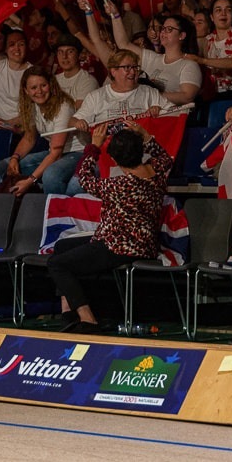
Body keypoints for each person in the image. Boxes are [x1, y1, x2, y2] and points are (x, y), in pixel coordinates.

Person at [48, 120, 172, 334]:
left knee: (57, 264)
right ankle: (69, 314)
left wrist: (94, 146)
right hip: (142, 243)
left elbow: (84, 178)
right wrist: (145, 134)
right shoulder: (157, 173)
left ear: (113, 159)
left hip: (118, 246)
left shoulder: (119, 185)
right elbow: (163, 157)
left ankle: (88, 319)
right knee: (62, 247)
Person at [0, 67, 87, 196]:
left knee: (51, 175)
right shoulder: (33, 106)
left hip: (76, 152)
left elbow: (56, 153)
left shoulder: (63, 107)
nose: (39, 91)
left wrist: (30, 180)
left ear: (51, 85)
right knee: (3, 167)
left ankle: (53, 212)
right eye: (34, 88)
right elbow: (29, 138)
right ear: (26, 91)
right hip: (54, 152)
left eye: (43, 85)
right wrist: (15, 157)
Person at [110, 7, 201, 105]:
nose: (163, 32)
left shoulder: (189, 64)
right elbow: (123, 43)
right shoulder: (152, 58)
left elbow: (187, 97)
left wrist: (150, 96)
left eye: (169, 29)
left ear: (181, 35)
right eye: (163, 29)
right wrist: (115, 15)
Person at [71, 49, 173, 133]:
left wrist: (160, 109)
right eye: (127, 68)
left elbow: (175, 113)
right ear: (113, 71)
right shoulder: (96, 96)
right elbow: (73, 121)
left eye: (135, 67)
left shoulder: (149, 92)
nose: (133, 72)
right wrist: (77, 123)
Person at [190, 0, 232, 97]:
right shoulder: (208, 40)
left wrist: (202, 60)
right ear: (212, 17)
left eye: (228, 10)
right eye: (218, 10)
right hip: (212, 93)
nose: (223, 14)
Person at [52, 35, 98, 107]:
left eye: (70, 52)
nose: (64, 56)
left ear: (79, 55)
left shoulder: (88, 81)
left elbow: (78, 113)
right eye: (60, 52)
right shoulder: (54, 80)